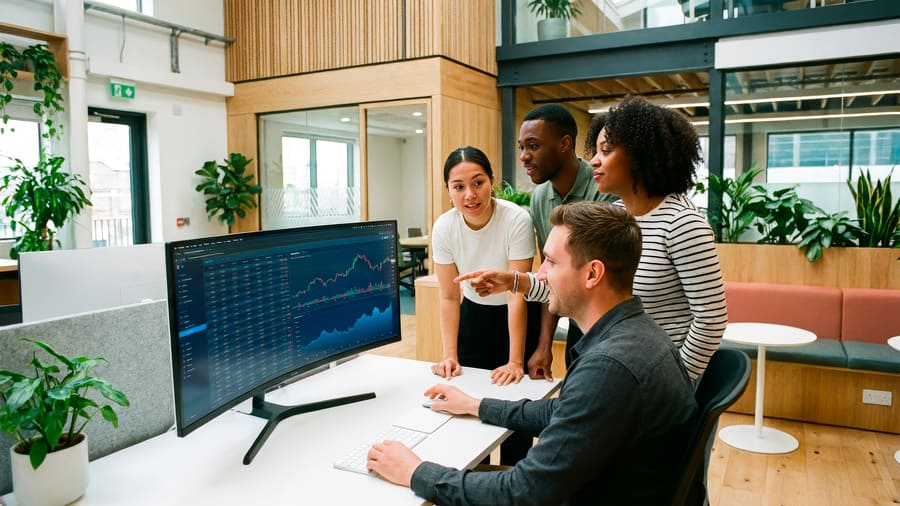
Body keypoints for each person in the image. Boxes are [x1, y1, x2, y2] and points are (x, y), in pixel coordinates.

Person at [367, 201, 698, 505]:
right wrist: (476, 405)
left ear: (593, 273)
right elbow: (566, 411)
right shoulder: (638, 333)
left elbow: (521, 493)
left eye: (551, 262)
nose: (539, 276)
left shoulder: (609, 368)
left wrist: (415, 471)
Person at [459, 96, 728, 380]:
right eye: (596, 150)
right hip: (620, 367)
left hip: (655, 382)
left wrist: (677, 381)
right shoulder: (618, 215)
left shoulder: (683, 224)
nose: (594, 160)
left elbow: (711, 321)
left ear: (641, 154)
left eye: (606, 150)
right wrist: (513, 281)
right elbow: (577, 288)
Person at [429, 146, 542, 464]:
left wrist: (515, 361)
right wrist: (449, 354)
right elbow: (450, 296)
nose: (470, 195)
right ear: (448, 190)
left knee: (515, 412)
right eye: (459, 186)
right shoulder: (445, 227)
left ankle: (513, 482)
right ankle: (472, 484)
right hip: (474, 316)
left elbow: (515, 293)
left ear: (492, 181)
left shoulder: (516, 219)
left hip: (516, 313)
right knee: (467, 410)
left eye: (478, 182)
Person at [517, 103, 617, 379]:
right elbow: (551, 276)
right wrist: (544, 345)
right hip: (574, 319)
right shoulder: (539, 198)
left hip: (609, 324)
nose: (524, 156)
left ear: (564, 144)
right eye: (521, 147)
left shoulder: (603, 189)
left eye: (533, 146)